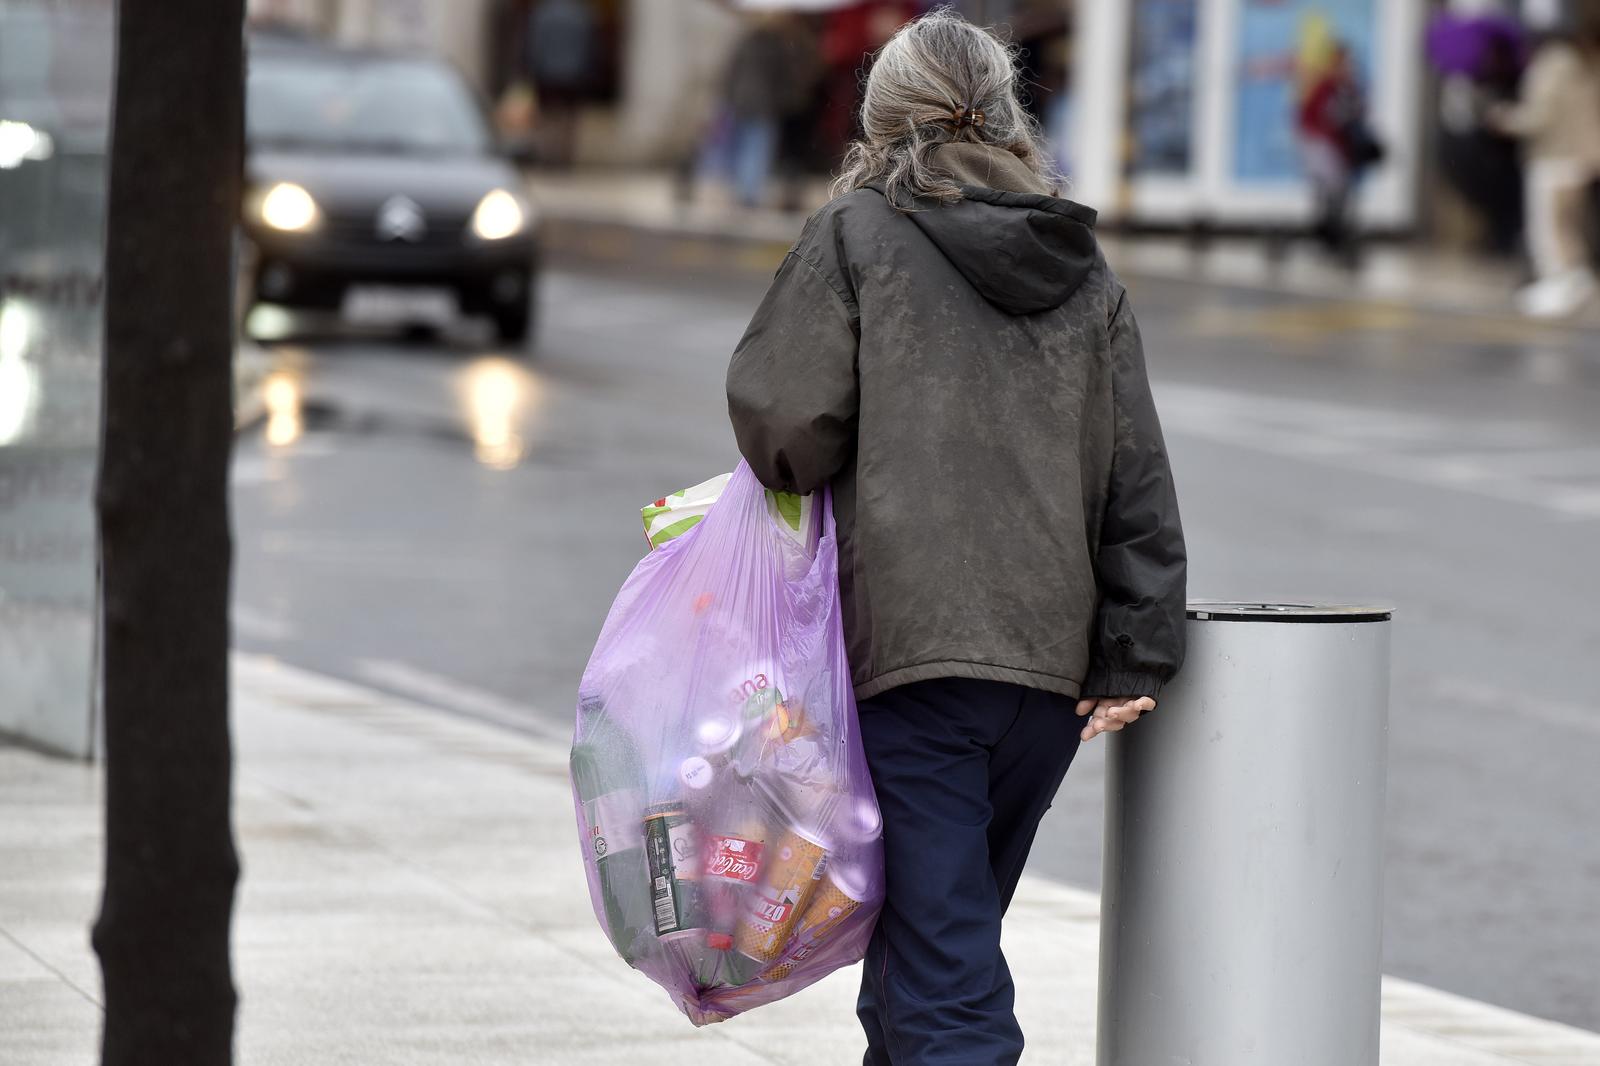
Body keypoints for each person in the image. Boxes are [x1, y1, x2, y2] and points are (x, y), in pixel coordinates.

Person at [725, 12, 1186, 1064]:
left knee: (942, 987)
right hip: (1045, 680)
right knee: (925, 954)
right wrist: (1133, 651)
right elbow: (1135, 476)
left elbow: (786, 434)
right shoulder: (1080, 259)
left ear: (882, 116)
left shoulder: (856, 236)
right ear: (1008, 112)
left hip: (912, 665)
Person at [1490, 15, 1600, 318]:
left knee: (1549, 230)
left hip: (1555, 159)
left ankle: (1565, 288)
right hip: (1580, 159)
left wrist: (1504, 119)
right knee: (1568, 227)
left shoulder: (1552, 68)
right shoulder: (1582, 67)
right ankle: (1571, 284)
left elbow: (1539, 117)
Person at [1297, 42, 1381, 266]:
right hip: (1321, 144)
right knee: (1330, 189)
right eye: (1344, 63)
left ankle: (1336, 234)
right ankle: (1327, 236)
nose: (1349, 67)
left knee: (1341, 190)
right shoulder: (1326, 87)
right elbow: (1318, 119)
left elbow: (1356, 115)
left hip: (1339, 147)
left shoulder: (1349, 88)